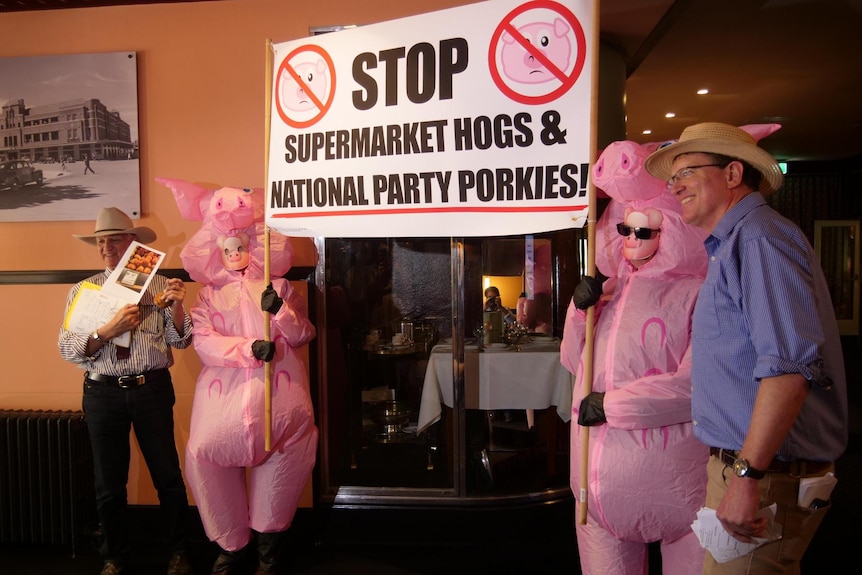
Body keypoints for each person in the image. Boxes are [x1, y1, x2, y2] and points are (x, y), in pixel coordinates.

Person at [645, 122, 849, 574]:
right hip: (757, 469)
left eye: (687, 172)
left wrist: (747, 476)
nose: (674, 186)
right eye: (672, 177)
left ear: (733, 174)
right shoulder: (734, 242)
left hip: (768, 473)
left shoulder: (758, 239)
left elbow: (789, 368)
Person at [561, 139, 709, 574]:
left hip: (677, 487)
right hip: (595, 493)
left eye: (645, 231)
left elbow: (697, 384)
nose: (632, 240)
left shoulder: (699, 293)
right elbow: (575, 363)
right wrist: (577, 312)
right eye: (625, 230)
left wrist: (613, 406)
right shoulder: (610, 291)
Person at [158, 178, 318, 575]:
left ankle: (268, 548)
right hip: (222, 405)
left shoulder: (279, 286)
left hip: (280, 404)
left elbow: (302, 334)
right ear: (216, 250)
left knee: (283, 466)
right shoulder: (209, 295)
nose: (236, 252)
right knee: (206, 461)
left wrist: (280, 309)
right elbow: (204, 342)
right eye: (228, 247)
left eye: (242, 245)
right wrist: (248, 350)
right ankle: (230, 546)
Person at [58, 207, 193, 575]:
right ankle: (114, 557)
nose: (106, 247)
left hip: (151, 390)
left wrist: (178, 306)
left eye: (113, 239)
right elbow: (68, 348)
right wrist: (106, 330)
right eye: (101, 241)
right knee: (108, 484)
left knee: (167, 474)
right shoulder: (84, 291)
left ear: (133, 244)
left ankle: (180, 552)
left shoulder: (161, 286)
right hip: (102, 394)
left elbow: (181, 341)